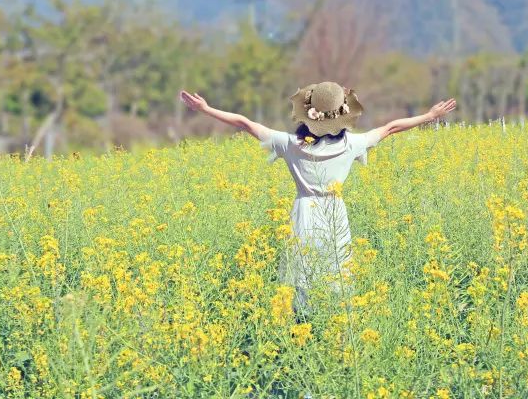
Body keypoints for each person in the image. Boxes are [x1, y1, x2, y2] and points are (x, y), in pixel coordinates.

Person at [179, 81, 457, 313]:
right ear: (343, 117)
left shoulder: (288, 144)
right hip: (334, 212)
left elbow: (244, 123)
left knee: (300, 270)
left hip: (304, 210)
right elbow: (391, 127)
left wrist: (205, 109)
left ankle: (302, 323)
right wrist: (430, 116)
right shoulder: (353, 144)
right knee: (336, 270)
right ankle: (334, 319)